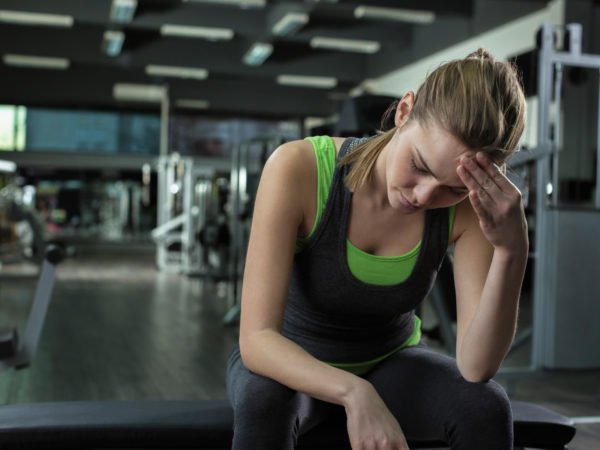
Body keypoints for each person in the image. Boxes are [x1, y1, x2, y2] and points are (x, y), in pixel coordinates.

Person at [226, 49, 528, 450]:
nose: (424, 196)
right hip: (286, 364)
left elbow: (476, 367)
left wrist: (511, 250)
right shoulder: (297, 168)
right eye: (419, 166)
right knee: (264, 406)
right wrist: (355, 393)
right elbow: (257, 339)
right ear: (404, 111)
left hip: (390, 364)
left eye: (452, 189)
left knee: (485, 406)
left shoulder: (470, 209)